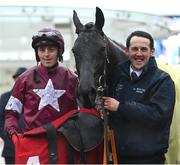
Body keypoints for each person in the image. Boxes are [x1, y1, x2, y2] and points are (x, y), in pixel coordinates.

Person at [4, 27, 78, 158]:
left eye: (51, 50)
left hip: (64, 145)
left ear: (59, 51)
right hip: (33, 145)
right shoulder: (23, 79)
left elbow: (85, 111)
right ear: (37, 52)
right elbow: (11, 112)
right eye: (42, 50)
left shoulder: (72, 79)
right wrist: (14, 135)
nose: (46, 54)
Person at [103, 31, 176, 164]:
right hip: (119, 158)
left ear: (152, 51)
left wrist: (120, 107)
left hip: (149, 160)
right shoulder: (117, 77)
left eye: (144, 49)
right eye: (134, 49)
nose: (139, 54)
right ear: (127, 51)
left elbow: (157, 114)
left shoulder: (162, 80)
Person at [0, 67, 27, 164]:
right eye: (18, 78)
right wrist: (7, 134)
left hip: (30, 147)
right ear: (15, 79)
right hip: (10, 148)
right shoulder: (5, 97)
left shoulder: (34, 98)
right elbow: (0, 118)